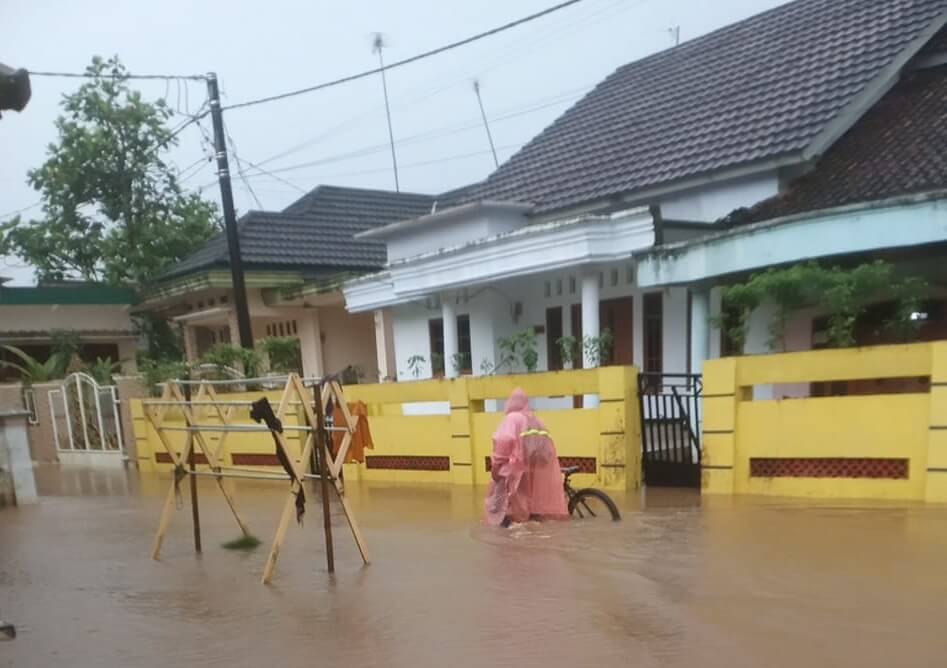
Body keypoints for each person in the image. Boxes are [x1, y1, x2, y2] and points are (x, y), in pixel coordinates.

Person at [484, 388, 569, 526]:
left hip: (514, 470)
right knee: (527, 504)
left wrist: (497, 465)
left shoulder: (512, 418)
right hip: (534, 470)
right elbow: (546, 447)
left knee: (505, 506)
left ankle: (515, 532)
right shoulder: (536, 420)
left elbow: (504, 441)